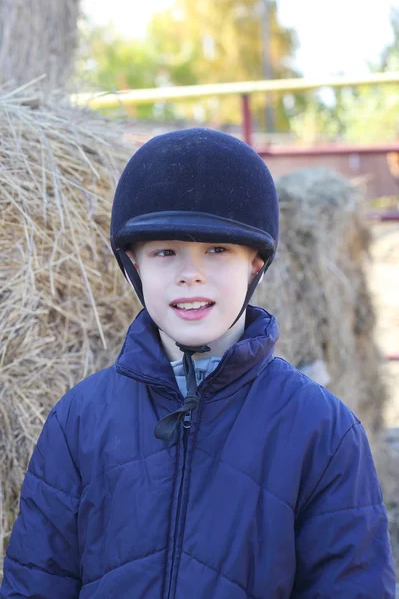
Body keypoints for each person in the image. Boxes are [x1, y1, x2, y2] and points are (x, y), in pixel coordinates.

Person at [0, 128, 395, 598]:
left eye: (217, 250)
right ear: (134, 263)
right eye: (166, 252)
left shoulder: (323, 431)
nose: (191, 274)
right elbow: (35, 582)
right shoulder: (78, 421)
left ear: (255, 264)